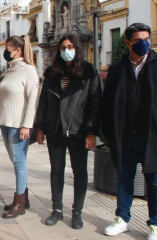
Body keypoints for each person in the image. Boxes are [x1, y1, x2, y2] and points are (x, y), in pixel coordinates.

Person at [102, 23, 157, 240]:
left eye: (147, 38)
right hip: (125, 137)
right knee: (124, 178)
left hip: (153, 137)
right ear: (128, 42)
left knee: (156, 182)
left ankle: (156, 225)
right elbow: (107, 102)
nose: (144, 43)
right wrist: (109, 132)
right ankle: (122, 219)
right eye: (139, 40)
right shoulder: (117, 68)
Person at [34, 33, 102, 229]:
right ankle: (57, 210)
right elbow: (43, 103)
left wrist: (91, 132)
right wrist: (40, 127)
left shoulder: (89, 72)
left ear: (77, 48)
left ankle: (77, 212)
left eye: (70, 47)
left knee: (80, 172)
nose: (66, 51)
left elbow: (95, 103)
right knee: (56, 171)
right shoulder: (51, 72)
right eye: (63, 48)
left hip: (78, 132)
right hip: (55, 130)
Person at [0, 35, 39, 218]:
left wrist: (26, 126)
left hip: (18, 126)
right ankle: (24, 199)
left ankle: (19, 203)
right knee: (16, 162)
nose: (6, 52)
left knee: (19, 162)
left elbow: (32, 101)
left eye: (8, 48)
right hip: (6, 124)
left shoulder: (29, 70)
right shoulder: (11, 70)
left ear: (18, 50)